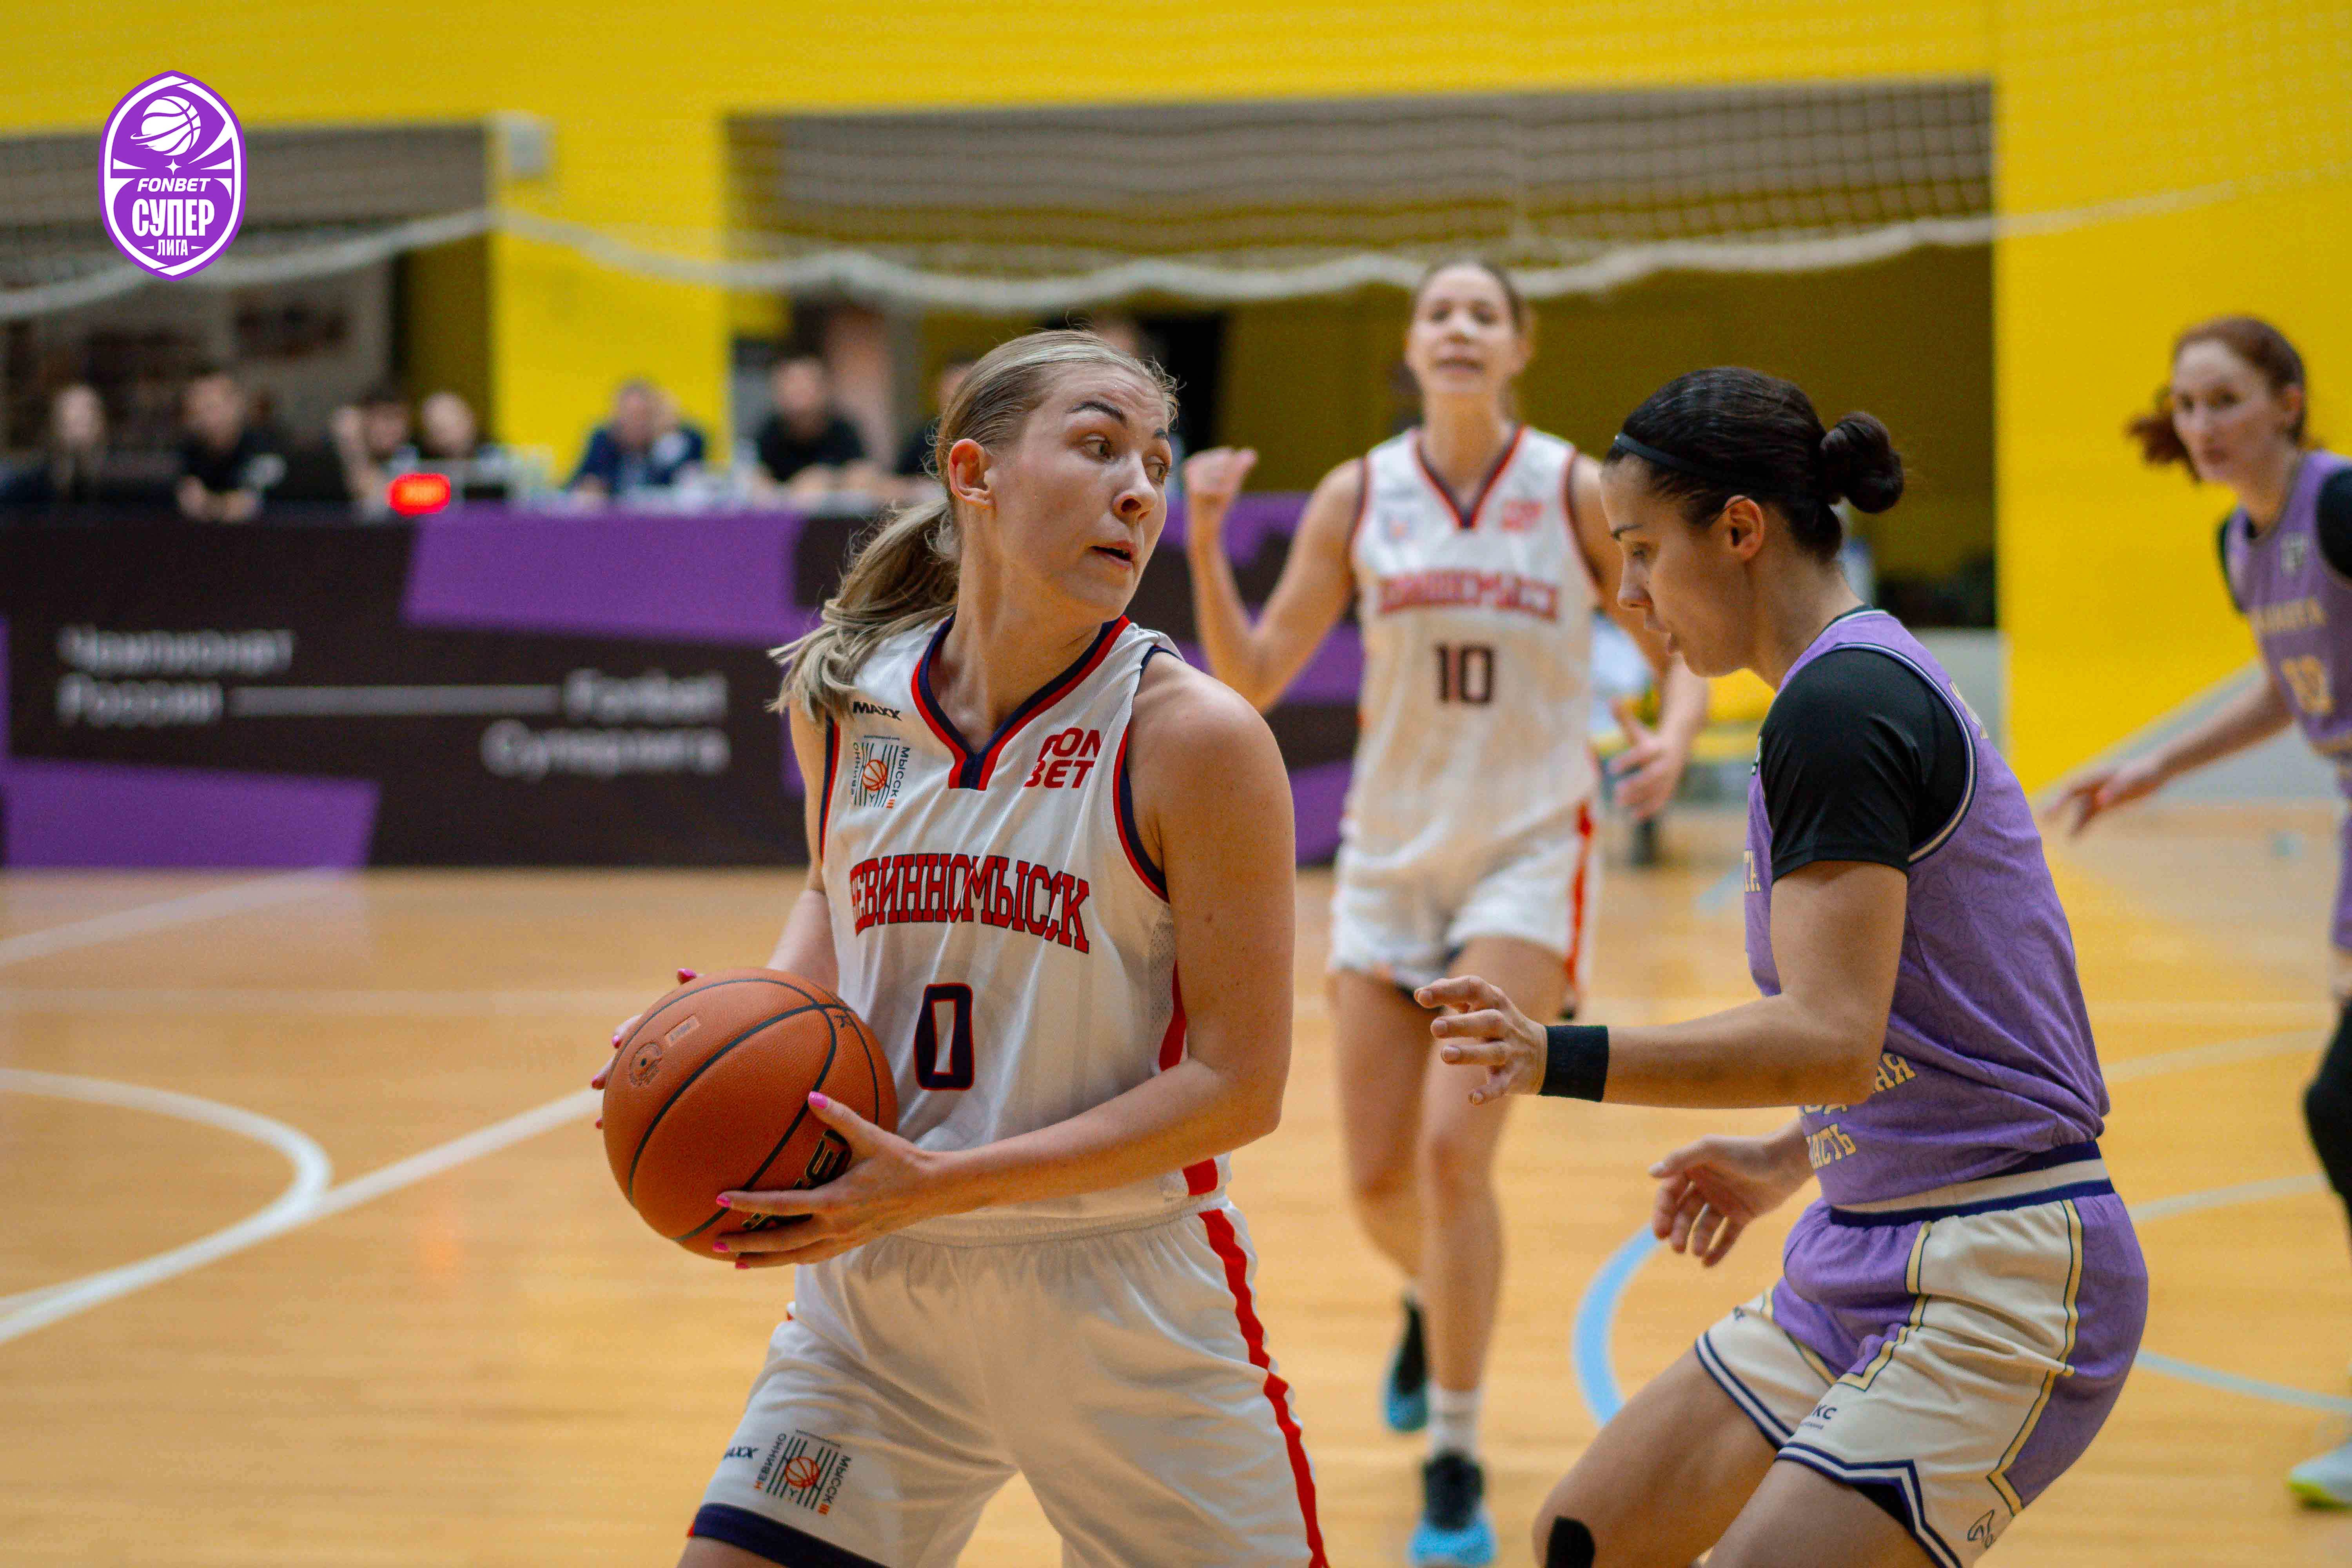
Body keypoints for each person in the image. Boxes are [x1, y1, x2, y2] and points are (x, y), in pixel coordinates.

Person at [593, 330, 1325, 1568]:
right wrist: (727, 1032)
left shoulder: (1197, 739)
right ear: (973, 473)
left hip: (1117, 1301)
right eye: (1098, 447)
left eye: (1155, 461)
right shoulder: (847, 697)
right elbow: (832, 895)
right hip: (876, 1298)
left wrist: (947, 1181)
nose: (1139, 490)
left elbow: (1239, 1086)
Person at [1428, 367, 2147, 1568]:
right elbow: (1931, 1018)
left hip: (1999, 1264)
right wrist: (1783, 1158)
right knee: (1585, 1537)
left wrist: (1550, 1054)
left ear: (1739, 530)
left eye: (1642, 550)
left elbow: (1829, 1039)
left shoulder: (1842, 706)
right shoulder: (1833, 693)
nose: (1627, 593)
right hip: (1863, 1246)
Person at [1182, 258, 1708, 1566]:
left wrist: (1677, 731)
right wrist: (1202, 537)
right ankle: (1434, 1298)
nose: (1460, 328)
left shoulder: (1572, 487)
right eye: (1439, 313)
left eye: (1484, 313)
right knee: (1373, 1177)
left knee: (1448, 1157)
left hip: (1525, 852)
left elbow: (1678, 633)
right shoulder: (1362, 493)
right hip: (1389, 855)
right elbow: (1253, 673)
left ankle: (1456, 1458)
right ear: (1413, 349)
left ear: (1520, 346)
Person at [2055, 315, 2352, 1506]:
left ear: (2287, 402)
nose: (2201, 424)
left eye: (2224, 399)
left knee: (2340, 1107)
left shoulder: (2339, 505)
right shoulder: (2240, 543)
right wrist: (2159, 766)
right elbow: (2290, 686)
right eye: (2186, 405)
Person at [753, 353, 877, 500]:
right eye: (790, 385)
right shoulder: (769, 432)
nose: (798, 395)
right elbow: (757, 479)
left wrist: (831, 480)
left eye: (806, 386)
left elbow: (863, 474)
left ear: (824, 390)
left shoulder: (843, 429)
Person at [569, 378, 706, 501]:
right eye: (629, 416)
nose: (636, 424)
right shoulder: (603, 443)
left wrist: (668, 439)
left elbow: (690, 488)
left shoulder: (674, 443)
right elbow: (580, 484)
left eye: (643, 416)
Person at [175, 369, 282, 522]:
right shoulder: (188, 453)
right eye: (196, 410)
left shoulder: (264, 448)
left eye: (212, 407)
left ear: (237, 403)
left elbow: (247, 504)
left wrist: (212, 506)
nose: (206, 418)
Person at [0, 384, 118, 515]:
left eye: (86, 419)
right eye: (70, 421)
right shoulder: (23, 490)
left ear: (103, 425)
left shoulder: (121, 488)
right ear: (54, 426)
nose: (78, 431)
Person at [888, 356, 975, 501]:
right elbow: (894, 483)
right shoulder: (923, 438)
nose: (957, 399)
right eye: (951, 390)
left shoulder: (993, 434)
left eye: (964, 390)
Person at [328, 382, 411, 519]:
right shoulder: (331, 464)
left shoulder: (417, 457)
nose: (391, 429)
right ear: (362, 420)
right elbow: (369, 502)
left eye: (398, 418)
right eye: (384, 418)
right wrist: (352, 445)